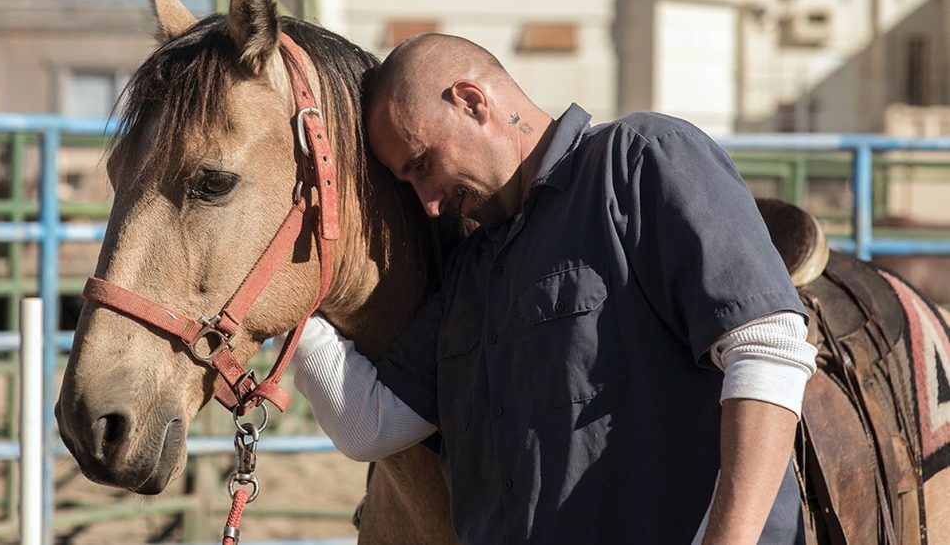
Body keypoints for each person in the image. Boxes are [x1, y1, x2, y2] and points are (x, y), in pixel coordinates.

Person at [285, 33, 818, 544]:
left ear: (471, 102)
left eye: (423, 165)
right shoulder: (472, 269)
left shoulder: (637, 160)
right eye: (410, 183)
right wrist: (288, 294)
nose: (428, 201)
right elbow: (367, 426)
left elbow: (767, 348)